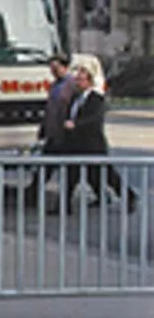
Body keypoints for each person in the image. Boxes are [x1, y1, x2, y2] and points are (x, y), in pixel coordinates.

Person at [59, 65, 138, 213]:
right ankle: (65, 206)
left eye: (81, 80)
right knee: (72, 175)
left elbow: (94, 119)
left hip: (92, 144)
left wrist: (76, 124)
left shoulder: (96, 99)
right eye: (76, 80)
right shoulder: (75, 98)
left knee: (106, 175)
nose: (77, 83)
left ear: (89, 82)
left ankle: (129, 196)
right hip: (76, 144)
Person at [24, 53, 75, 202]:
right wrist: (43, 129)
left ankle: (60, 200)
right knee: (46, 165)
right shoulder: (54, 85)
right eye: (51, 68)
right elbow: (49, 109)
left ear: (65, 67)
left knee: (73, 170)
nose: (53, 71)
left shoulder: (71, 85)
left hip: (65, 134)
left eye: (56, 68)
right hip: (53, 133)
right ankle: (33, 193)